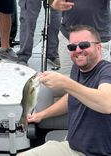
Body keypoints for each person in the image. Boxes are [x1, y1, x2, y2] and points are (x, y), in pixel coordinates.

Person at [19, 25, 111, 156]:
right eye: (72, 47)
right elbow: (72, 97)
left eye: (84, 45)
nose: (78, 50)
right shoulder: (77, 69)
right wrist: (41, 115)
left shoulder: (107, 71)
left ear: (99, 47)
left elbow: (107, 104)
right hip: (71, 147)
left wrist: (65, 83)